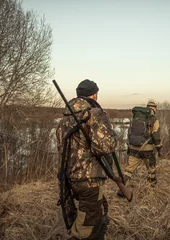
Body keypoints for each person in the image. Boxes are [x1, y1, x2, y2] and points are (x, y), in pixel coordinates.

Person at [56, 79, 117, 240]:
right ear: (94, 95)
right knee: (84, 230)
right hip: (89, 181)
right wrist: (113, 137)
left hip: (70, 180)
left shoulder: (64, 119)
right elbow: (104, 147)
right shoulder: (95, 114)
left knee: (101, 217)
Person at [117, 101, 162, 198]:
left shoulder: (135, 118)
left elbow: (129, 132)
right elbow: (156, 135)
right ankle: (151, 188)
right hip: (147, 150)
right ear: (154, 109)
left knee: (129, 170)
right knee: (151, 168)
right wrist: (159, 148)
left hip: (134, 148)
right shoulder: (153, 119)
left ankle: (122, 190)